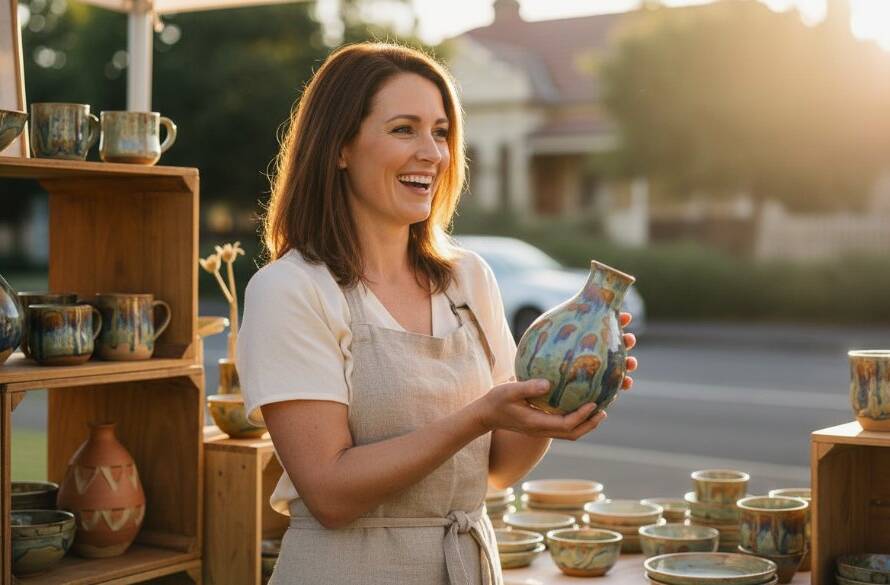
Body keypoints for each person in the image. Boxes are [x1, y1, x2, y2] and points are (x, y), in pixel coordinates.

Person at [237, 42, 638, 585]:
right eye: (404, 129)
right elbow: (329, 492)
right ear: (340, 148)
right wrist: (478, 416)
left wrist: (555, 403)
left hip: (468, 567)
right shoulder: (290, 289)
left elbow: (497, 467)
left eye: (442, 132)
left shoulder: (468, 278)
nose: (433, 153)